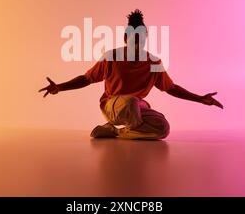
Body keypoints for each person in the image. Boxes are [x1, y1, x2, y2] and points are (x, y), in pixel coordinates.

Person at [39, 9, 223, 140]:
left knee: (163, 128)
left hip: (138, 108)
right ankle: (119, 125)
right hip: (114, 105)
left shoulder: (154, 62)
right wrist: (60, 87)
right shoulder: (112, 57)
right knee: (131, 101)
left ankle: (115, 132)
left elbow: (171, 88)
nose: (137, 44)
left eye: (141, 39)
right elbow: (86, 79)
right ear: (125, 39)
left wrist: (200, 99)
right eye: (134, 39)